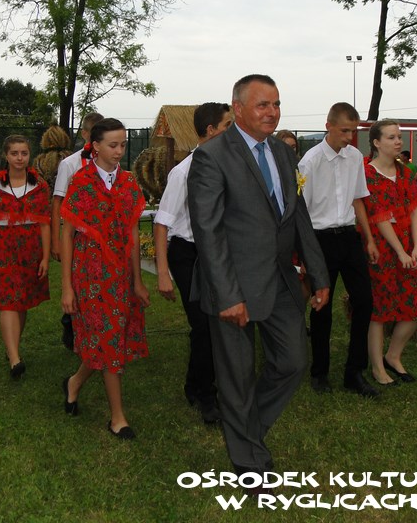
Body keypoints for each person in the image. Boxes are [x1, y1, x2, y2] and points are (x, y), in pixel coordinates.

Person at [187, 74, 329, 478]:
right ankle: (249, 463)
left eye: (276, 104)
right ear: (238, 109)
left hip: (280, 281)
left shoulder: (283, 154)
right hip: (231, 285)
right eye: (263, 104)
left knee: (293, 362)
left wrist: (318, 275)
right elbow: (208, 232)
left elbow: (298, 217)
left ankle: (246, 430)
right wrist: (228, 295)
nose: (272, 112)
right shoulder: (212, 156)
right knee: (236, 378)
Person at [61, 118, 149, 440]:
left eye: (123, 145)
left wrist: (137, 280)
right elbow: (67, 235)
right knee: (109, 339)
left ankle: (74, 383)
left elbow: (133, 233)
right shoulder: (81, 182)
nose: (119, 151)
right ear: (95, 146)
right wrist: (67, 287)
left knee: (109, 338)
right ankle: (117, 418)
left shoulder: (128, 183)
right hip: (90, 274)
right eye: (113, 145)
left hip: (121, 274)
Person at [154, 102, 232, 425]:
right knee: (203, 324)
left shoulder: (228, 166)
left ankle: (198, 385)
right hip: (187, 253)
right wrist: (162, 273)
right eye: (227, 126)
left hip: (216, 254)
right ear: (211, 131)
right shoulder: (183, 172)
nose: (232, 131)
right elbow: (162, 223)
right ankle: (204, 394)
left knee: (217, 324)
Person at [298, 103, 380, 397]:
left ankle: (354, 372)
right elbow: (301, 212)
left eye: (353, 131)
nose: (349, 137)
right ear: (328, 126)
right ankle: (319, 372)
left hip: (349, 237)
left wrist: (368, 238)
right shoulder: (310, 161)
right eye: (344, 130)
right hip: (319, 241)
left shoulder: (355, 157)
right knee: (322, 306)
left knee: (364, 301)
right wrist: (305, 254)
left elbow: (358, 199)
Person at [363, 120, 417, 385]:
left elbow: (414, 210)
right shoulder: (367, 173)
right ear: (377, 142)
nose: (398, 141)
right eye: (391, 137)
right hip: (381, 248)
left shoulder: (404, 173)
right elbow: (379, 216)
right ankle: (378, 367)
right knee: (381, 309)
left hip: (407, 246)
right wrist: (400, 252)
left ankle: (393, 356)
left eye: (399, 136)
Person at [0, 135, 51, 379]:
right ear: (6, 156)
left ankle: (13, 350)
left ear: (30, 155)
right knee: (8, 301)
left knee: (22, 301)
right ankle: (14, 359)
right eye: (14, 153)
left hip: (30, 250)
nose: (20, 158)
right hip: (2, 248)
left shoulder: (39, 186)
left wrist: (45, 257)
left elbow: (45, 224)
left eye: (24, 153)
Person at [51, 112, 104, 349]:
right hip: (76, 235)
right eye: (94, 134)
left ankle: (97, 327)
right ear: (84, 134)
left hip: (102, 235)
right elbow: (57, 203)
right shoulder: (70, 164)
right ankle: (71, 324)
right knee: (75, 282)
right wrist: (56, 241)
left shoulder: (109, 161)